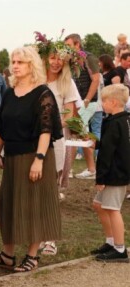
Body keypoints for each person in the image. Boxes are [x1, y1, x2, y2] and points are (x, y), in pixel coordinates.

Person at [0, 46, 62, 272]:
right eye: (14, 62)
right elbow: (1, 127)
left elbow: (46, 130)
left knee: (32, 206)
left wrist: (39, 158)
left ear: (32, 66)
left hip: (35, 157)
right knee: (8, 205)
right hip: (13, 157)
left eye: (20, 62)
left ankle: (32, 255)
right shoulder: (10, 92)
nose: (15, 66)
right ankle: (7, 255)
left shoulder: (43, 93)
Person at [37, 36, 81, 255]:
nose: (56, 62)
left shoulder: (67, 83)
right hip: (33, 139)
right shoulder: (35, 79)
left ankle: (50, 238)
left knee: (51, 190)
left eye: (60, 60)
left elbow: (70, 113)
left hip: (55, 139)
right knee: (34, 189)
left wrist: (50, 125)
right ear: (46, 57)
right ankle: (34, 236)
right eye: (53, 57)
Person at [90, 84, 130, 263]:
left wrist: (100, 178)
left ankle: (120, 249)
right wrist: (97, 144)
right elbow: (113, 144)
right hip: (118, 171)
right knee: (99, 205)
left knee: (113, 210)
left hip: (115, 174)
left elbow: (107, 153)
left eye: (103, 101)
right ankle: (111, 241)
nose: (101, 104)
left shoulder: (115, 123)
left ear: (113, 102)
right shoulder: (122, 120)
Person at [64, 33, 101, 180]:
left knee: (74, 134)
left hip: (88, 102)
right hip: (78, 102)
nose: (66, 49)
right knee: (82, 134)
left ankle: (68, 170)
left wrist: (87, 99)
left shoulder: (89, 58)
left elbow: (96, 79)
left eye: (69, 46)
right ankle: (92, 169)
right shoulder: (72, 60)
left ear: (77, 45)